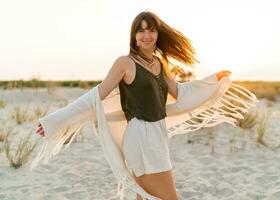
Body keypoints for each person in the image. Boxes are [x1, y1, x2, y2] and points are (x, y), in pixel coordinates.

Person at [36, 11, 233, 200]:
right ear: (134, 35)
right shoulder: (125, 63)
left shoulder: (160, 63)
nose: (146, 35)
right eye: (141, 30)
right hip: (140, 137)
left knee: (144, 196)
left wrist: (213, 80)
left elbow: (181, 94)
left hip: (158, 135)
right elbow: (95, 96)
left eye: (151, 30)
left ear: (158, 33)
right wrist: (55, 120)